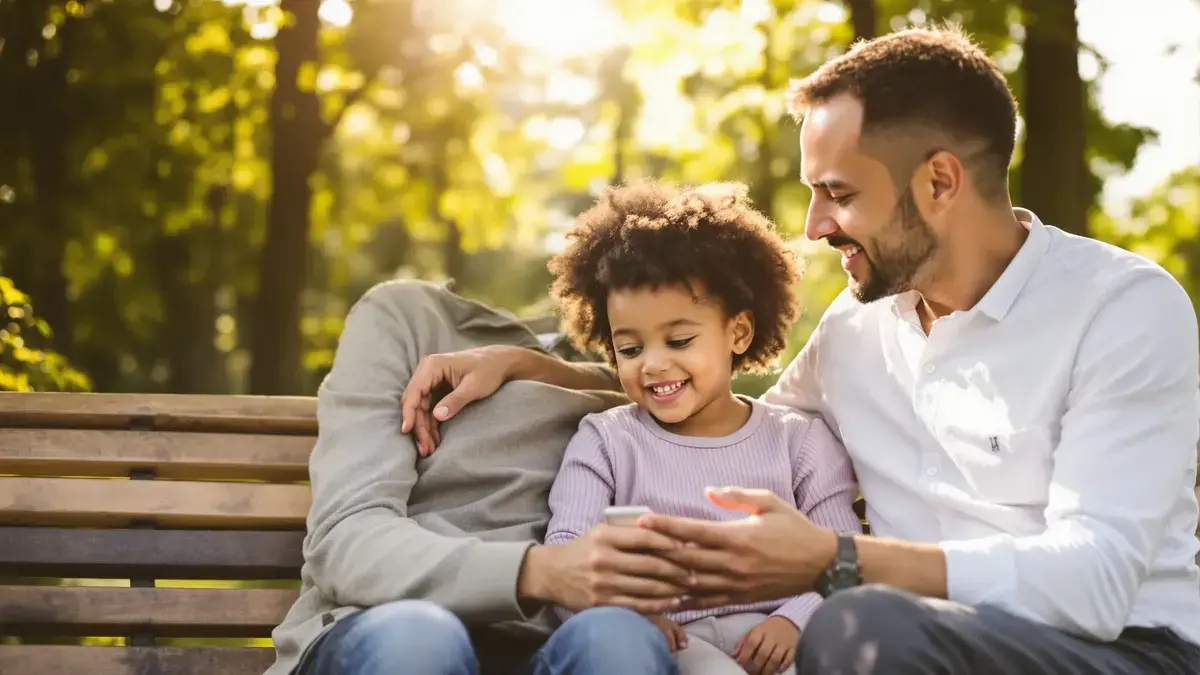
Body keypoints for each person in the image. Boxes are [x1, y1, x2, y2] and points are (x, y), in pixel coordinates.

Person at [399, 26, 1200, 675]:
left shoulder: (1122, 308)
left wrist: (837, 557)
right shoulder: (858, 332)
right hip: (909, 645)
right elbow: (709, 404)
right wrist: (530, 364)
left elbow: (1095, 583)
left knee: (864, 625)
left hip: (1118, 651)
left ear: (941, 182)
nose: (814, 226)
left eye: (840, 193)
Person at [263, 279, 694, 675]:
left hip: (559, 644)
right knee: (421, 641)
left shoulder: (650, 366)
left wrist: (524, 364)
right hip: (390, 627)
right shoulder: (407, 316)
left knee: (620, 642)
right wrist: (537, 572)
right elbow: (346, 540)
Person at [539, 180, 863, 675]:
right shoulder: (606, 441)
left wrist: (794, 621)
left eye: (679, 340)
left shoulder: (798, 442)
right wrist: (630, 614)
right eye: (630, 349)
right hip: (660, 649)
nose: (653, 364)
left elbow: (843, 555)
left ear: (738, 332)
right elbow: (566, 550)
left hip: (783, 640)